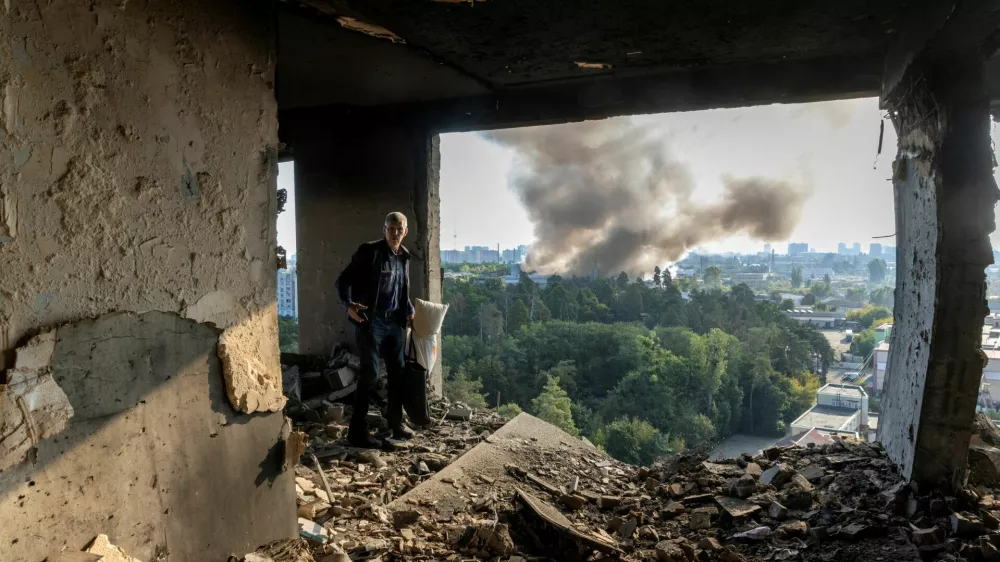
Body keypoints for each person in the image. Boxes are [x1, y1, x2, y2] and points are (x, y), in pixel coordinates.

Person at [335, 212, 416, 449]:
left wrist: (409, 309)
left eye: (398, 229)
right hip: (371, 322)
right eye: (390, 228)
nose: (394, 233)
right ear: (384, 230)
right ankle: (357, 433)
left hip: (394, 323)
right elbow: (342, 281)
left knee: (398, 373)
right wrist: (348, 305)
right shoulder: (369, 252)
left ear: (405, 231)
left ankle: (396, 424)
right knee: (370, 374)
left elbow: (401, 289)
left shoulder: (404, 256)